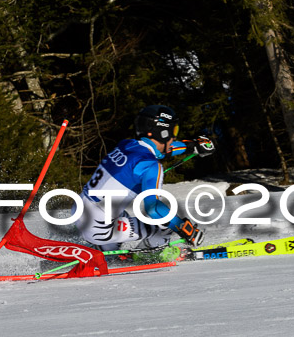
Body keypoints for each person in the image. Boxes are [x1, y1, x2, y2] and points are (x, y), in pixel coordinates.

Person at [74, 105, 215, 253]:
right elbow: (153, 209)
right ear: (163, 132)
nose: (174, 137)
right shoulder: (152, 166)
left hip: (79, 211)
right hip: (98, 228)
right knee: (163, 226)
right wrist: (185, 229)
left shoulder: (126, 145)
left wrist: (191, 146)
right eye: (174, 131)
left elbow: (161, 151)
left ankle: (105, 249)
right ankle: (151, 254)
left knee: (122, 215)